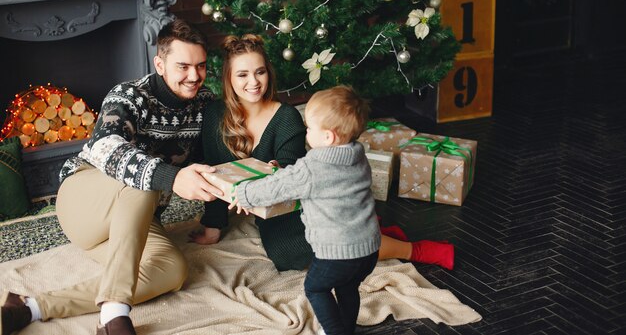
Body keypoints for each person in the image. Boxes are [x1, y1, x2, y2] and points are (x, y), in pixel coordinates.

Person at [0, 19, 222, 335]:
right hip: (85, 203)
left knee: (172, 271)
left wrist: (214, 220)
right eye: (183, 66)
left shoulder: (205, 104)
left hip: (135, 218)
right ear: (160, 63)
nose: (194, 76)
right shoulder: (129, 95)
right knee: (141, 183)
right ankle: (115, 314)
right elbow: (107, 147)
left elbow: (213, 159)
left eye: (200, 66)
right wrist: (172, 178)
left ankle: (29, 308)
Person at [191, 34, 454, 273]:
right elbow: (214, 172)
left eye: (260, 72)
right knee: (290, 253)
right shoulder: (216, 114)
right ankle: (379, 231)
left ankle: (411, 249)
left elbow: (292, 178)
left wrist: (275, 170)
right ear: (228, 78)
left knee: (294, 254)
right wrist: (213, 227)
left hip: (294, 202)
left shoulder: (286, 117)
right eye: (242, 75)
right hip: (259, 200)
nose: (253, 82)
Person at [227, 85, 380, 335]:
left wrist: (242, 194)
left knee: (316, 288)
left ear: (328, 137)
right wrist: (287, 171)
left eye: (309, 128)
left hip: (337, 253)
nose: (306, 132)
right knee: (347, 289)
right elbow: (305, 178)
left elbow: (277, 187)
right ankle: (347, 327)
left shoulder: (312, 167)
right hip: (369, 249)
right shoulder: (357, 156)